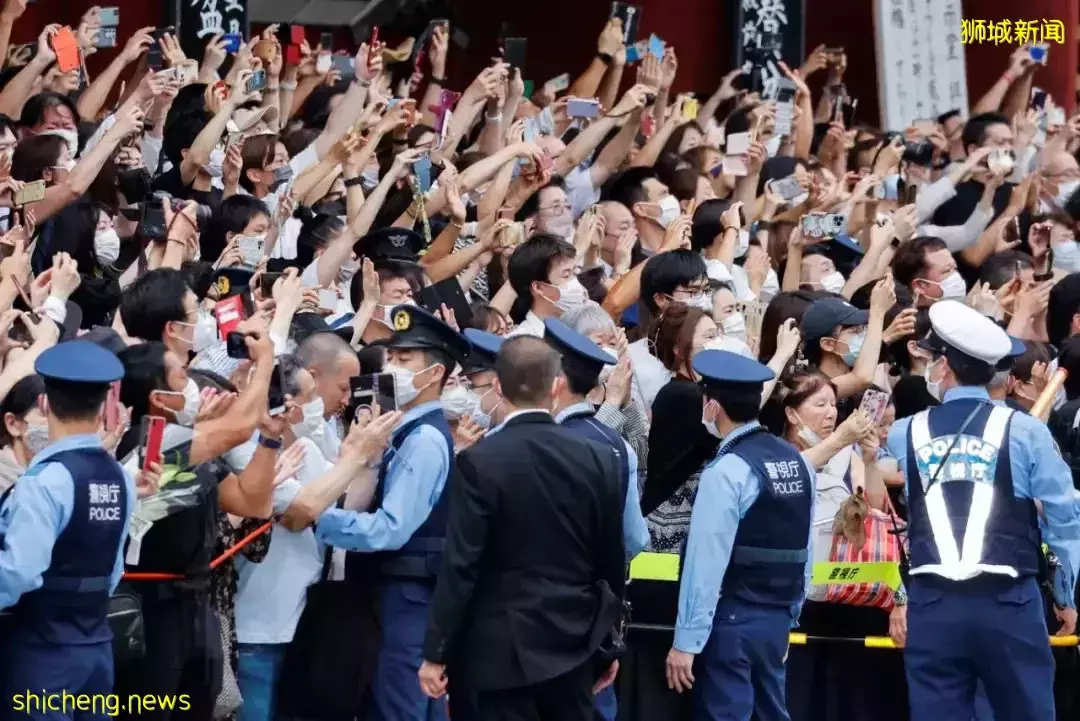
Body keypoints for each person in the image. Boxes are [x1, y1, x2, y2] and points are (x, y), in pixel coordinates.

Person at [887, 300, 1080, 720]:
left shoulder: (906, 432)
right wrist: (1065, 594)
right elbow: (1064, 520)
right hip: (1009, 601)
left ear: (944, 368)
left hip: (932, 602)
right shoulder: (1027, 430)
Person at [418, 335, 626, 721]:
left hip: (497, 653)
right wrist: (610, 640)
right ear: (556, 385)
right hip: (573, 644)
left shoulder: (480, 460)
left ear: (498, 386)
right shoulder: (598, 458)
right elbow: (612, 558)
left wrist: (436, 653)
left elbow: (462, 565)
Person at [314, 304, 471, 721]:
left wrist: (319, 518)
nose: (393, 367)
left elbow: (390, 530)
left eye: (406, 360)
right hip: (398, 595)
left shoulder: (423, 438)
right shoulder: (402, 428)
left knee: (399, 707)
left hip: (408, 595)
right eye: (393, 357)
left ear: (434, 374)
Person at [665, 349, 814, 721]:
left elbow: (705, 563)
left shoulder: (728, 470)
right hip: (776, 619)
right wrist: (790, 618)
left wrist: (686, 641)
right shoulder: (797, 461)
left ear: (713, 407)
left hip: (733, 620)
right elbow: (804, 550)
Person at [0, 341, 135, 715]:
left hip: (42, 652)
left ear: (45, 404)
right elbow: (113, 571)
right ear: (102, 407)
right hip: (96, 648)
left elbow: (18, 572)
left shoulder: (43, 482)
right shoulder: (119, 476)